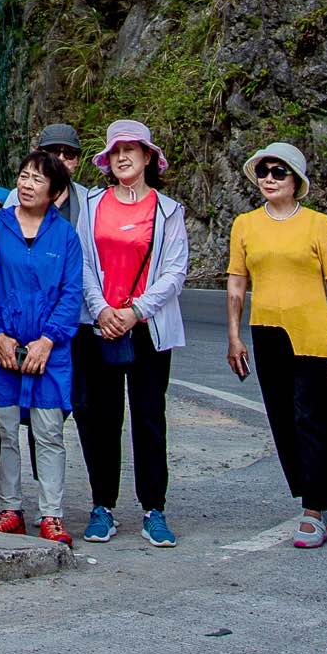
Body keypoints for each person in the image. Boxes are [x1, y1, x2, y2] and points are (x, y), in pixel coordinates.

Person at [225, 139, 327, 548]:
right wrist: (234, 334)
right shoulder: (245, 224)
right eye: (263, 171)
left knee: (313, 418)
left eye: (278, 172)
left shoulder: (317, 223)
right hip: (267, 331)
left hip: (312, 332)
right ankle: (318, 495)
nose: (268, 178)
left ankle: (313, 512)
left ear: (295, 180)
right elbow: (236, 283)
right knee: (283, 419)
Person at [75, 118, 189, 544]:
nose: (123, 157)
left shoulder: (168, 210)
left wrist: (136, 310)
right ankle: (102, 504)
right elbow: (82, 261)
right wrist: (102, 308)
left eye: (131, 150)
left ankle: (153, 508)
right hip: (100, 324)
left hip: (148, 328)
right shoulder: (91, 205)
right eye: (116, 151)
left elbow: (175, 271)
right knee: (101, 418)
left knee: (148, 418)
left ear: (147, 158)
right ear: (108, 161)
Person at [0, 150, 83, 542]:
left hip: (50, 352)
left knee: (49, 432)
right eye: (23, 176)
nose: (26, 184)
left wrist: (47, 340)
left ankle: (51, 514)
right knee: (4, 431)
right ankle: (10, 508)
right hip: (3, 347)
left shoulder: (65, 235)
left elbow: (72, 293)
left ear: (55, 192)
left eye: (37, 179)